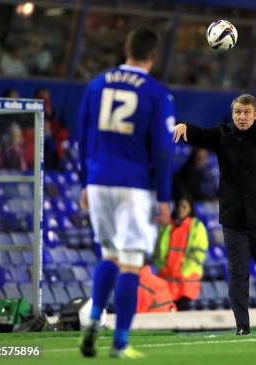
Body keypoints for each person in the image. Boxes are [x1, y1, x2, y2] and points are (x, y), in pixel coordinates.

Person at [77, 28, 174, 358]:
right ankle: (119, 343)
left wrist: (84, 183)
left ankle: (92, 320)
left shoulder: (96, 84)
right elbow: (163, 150)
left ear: (126, 47)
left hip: (99, 180)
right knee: (131, 263)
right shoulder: (157, 93)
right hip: (134, 185)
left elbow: (83, 136)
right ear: (154, 56)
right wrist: (163, 197)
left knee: (109, 254)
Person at [172, 94, 256, 335]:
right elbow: (201, 134)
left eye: (246, 112)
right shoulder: (223, 134)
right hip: (234, 221)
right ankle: (242, 325)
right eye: (238, 112)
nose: (241, 117)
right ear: (233, 115)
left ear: (255, 115)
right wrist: (184, 127)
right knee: (238, 275)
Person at [154, 196, 209, 310]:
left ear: (190, 208)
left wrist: (183, 271)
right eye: (179, 206)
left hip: (185, 282)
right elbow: (158, 251)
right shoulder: (168, 226)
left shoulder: (196, 226)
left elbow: (198, 253)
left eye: (184, 206)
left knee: (183, 317)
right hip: (167, 281)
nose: (180, 209)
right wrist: (163, 268)